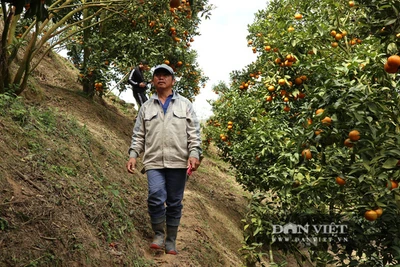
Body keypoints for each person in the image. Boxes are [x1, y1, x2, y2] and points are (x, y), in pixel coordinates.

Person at [126, 64, 202, 255]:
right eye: (157, 75)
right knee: (155, 196)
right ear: (153, 81)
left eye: (165, 75)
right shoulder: (146, 107)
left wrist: (194, 153)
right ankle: (159, 234)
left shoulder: (185, 104)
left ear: (172, 81)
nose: (161, 78)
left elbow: (194, 133)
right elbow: (139, 134)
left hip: (178, 161)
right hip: (153, 161)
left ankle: (171, 240)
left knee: (175, 202)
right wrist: (133, 155)